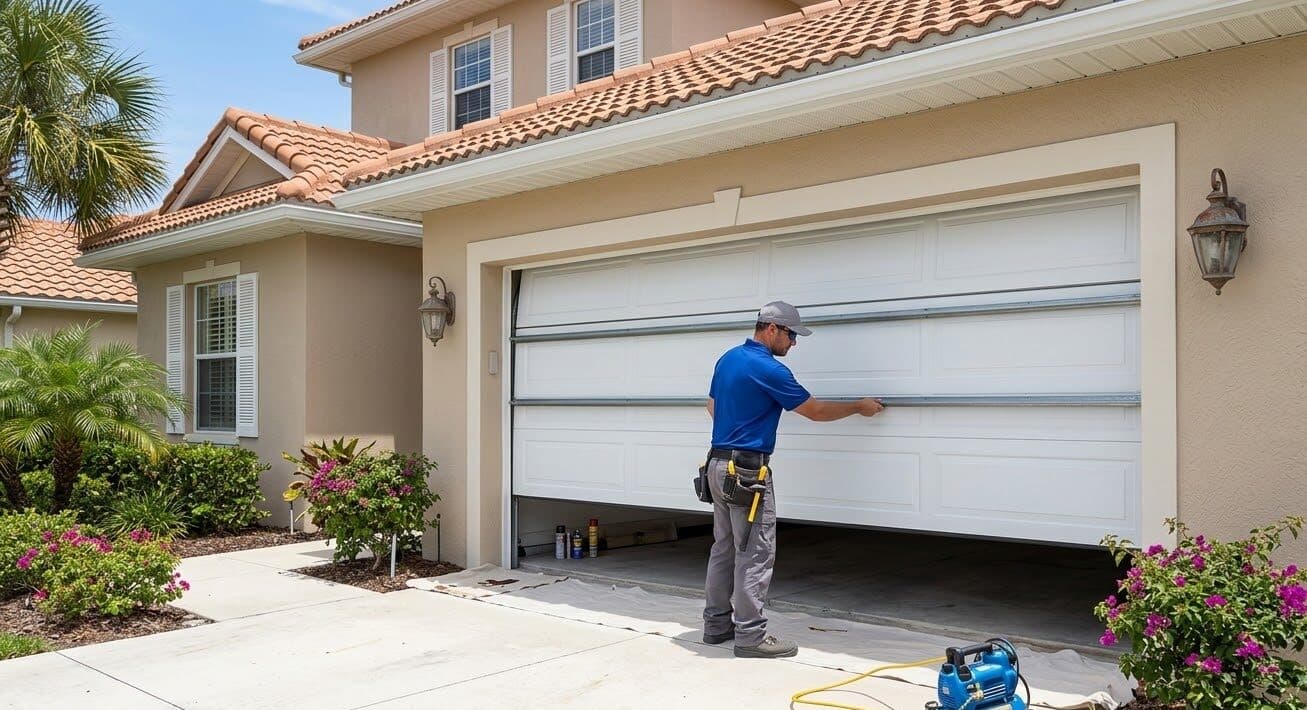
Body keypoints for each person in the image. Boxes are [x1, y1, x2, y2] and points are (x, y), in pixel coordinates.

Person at [702, 300, 884, 658]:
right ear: (772, 328)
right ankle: (751, 637)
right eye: (791, 335)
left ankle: (716, 626)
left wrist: (736, 432)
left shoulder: (728, 359)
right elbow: (814, 412)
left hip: (717, 465)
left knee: (723, 548)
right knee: (755, 552)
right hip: (747, 473)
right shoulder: (769, 370)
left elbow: (712, 406)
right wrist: (858, 407)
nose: (794, 344)